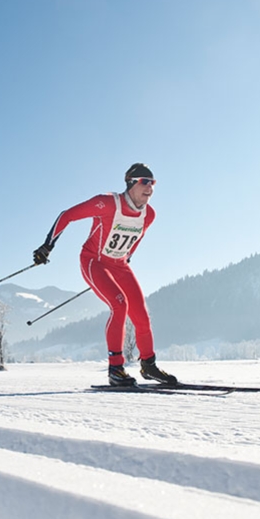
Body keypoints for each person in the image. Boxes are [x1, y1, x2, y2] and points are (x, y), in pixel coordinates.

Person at [33, 162, 177, 388]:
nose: (150, 188)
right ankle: (115, 369)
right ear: (131, 184)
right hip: (94, 261)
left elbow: (135, 238)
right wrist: (47, 246)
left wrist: (127, 256)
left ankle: (149, 366)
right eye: (145, 182)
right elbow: (67, 215)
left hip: (119, 265)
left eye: (153, 183)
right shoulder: (108, 203)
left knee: (141, 313)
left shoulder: (149, 214)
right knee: (119, 305)